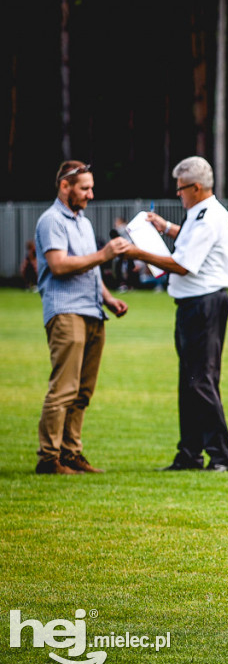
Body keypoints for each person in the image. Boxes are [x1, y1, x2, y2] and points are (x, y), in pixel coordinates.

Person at [122, 156, 228, 472]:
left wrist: (137, 252)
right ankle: (189, 453)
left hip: (203, 305)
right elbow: (189, 241)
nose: (178, 194)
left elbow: (183, 264)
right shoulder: (200, 214)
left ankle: (221, 456)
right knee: (190, 382)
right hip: (194, 304)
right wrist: (167, 228)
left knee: (200, 381)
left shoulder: (206, 217)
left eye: (181, 188)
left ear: (197, 188)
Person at [33, 161, 130, 474]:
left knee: (83, 391)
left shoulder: (83, 223)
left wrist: (108, 298)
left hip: (92, 311)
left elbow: (91, 268)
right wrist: (103, 255)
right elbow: (59, 265)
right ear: (65, 187)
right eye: (85, 188)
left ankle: (71, 453)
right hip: (66, 311)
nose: (91, 193)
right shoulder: (51, 221)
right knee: (64, 388)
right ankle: (49, 459)